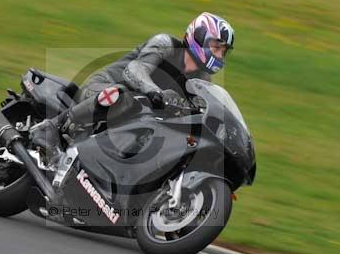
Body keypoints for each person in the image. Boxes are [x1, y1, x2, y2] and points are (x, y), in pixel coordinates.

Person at [29, 12, 235, 154]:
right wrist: (154, 91)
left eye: (223, 51)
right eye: (216, 47)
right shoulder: (166, 44)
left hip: (135, 114)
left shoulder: (200, 81)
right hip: (105, 88)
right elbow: (135, 70)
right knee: (123, 96)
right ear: (198, 37)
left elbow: (199, 110)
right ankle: (51, 128)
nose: (219, 54)